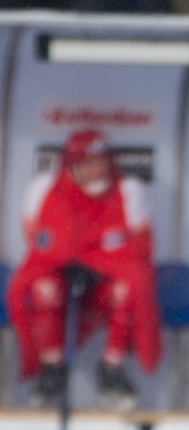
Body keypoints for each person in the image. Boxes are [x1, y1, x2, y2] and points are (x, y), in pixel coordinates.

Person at [6, 130, 160, 411]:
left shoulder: (128, 190)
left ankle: (112, 371)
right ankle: (52, 372)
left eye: (102, 160)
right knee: (41, 288)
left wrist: (100, 265)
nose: (98, 168)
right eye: (90, 162)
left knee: (130, 287)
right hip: (60, 273)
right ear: (72, 165)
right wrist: (64, 260)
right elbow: (36, 238)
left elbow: (140, 246)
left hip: (106, 279)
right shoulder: (44, 188)